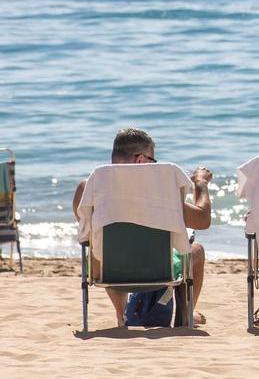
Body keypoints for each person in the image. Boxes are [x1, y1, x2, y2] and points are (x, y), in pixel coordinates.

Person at [72, 128, 211, 327]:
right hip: (159, 271)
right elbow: (203, 219)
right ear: (141, 160)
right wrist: (201, 183)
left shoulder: (87, 189)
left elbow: (87, 232)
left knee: (103, 246)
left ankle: (121, 316)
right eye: (153, 161)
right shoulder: (161, 193)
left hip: (106, 272)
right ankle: (187, 313)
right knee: (196, 250)